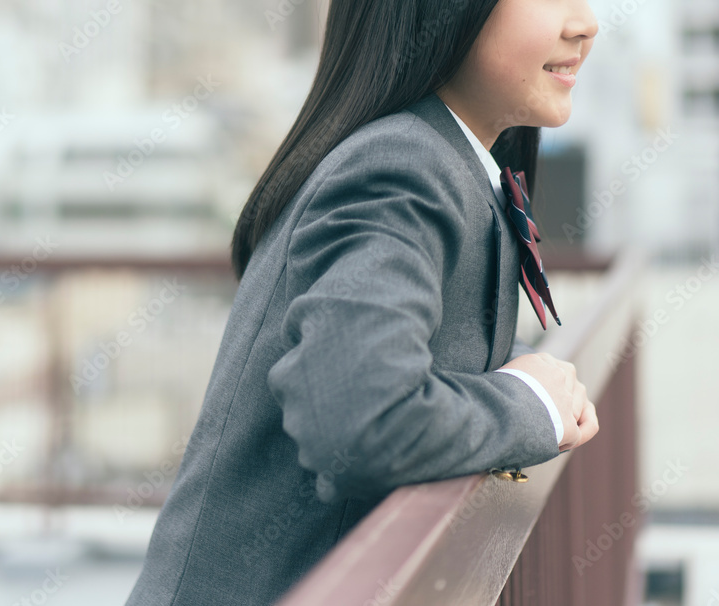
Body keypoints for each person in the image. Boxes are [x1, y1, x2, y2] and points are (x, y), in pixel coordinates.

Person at [125, 1, 600, 604]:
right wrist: (531, 404)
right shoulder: (401, 165)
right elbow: (363, 418)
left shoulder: (445, 160)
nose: (585, 24)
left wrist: (526, 370)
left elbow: (431, 346)